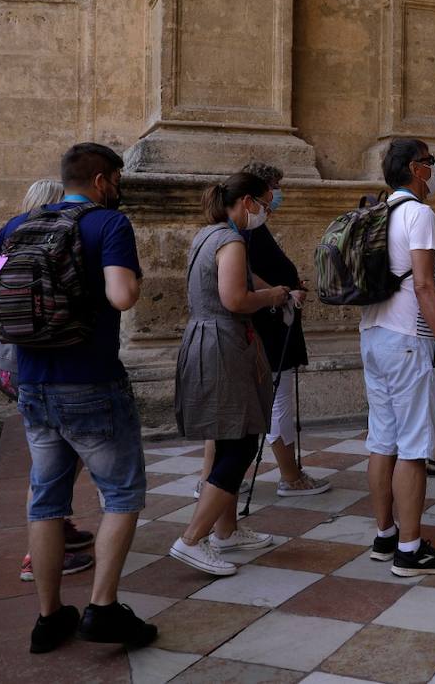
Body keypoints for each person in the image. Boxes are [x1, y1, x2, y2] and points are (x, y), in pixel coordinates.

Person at [0, 143, 155, 654]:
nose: (117, 187)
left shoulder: (15, 228)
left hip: (33, 385)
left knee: (46, 499)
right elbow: (121, 297)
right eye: (115, 178)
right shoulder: (109, 225)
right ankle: (103, 608)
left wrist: (34, 313)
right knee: (122, 494)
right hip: (91, 381)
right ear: (101, 179)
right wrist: (125, 280)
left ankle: (49, 617)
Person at [168, 172, 287, 576]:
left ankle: (227, 530)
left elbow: (238, 280)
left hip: (206, 338)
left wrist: (275, 289)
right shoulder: (232, 240)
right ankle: (191, 539)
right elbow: (235, 297)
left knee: (226, 437)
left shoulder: (209, 234)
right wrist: (273, 296)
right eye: (266, 204)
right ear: (248, 202)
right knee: (240, 443)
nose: (267, 212)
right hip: (223, 344)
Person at [358, 138, 435, 576]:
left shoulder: (377, 212)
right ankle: (409, 548)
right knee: (415, 449)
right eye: (431, 162)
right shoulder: (419, 214)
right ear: (417, 169)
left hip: (373, 335)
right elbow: (425, 286)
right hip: (408, 340)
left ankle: (385, 535)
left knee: (382, 441)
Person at [0, 179, 98, 583]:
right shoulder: (45, 240)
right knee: (50, 465)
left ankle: (58, 527)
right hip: (31, 363)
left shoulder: (8, 244)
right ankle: (37, 553)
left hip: (11, 362)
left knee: (59, 456)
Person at [239, 161, 328, 497]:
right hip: (270, 326)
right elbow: (246, 274)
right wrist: (281, 291)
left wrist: (289, 284)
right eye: (273, 187)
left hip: (275, 322)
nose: (278, 194)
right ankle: (291, 476)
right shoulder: (246, 230)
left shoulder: (252, 229)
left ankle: (214, 479)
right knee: (279, 402)